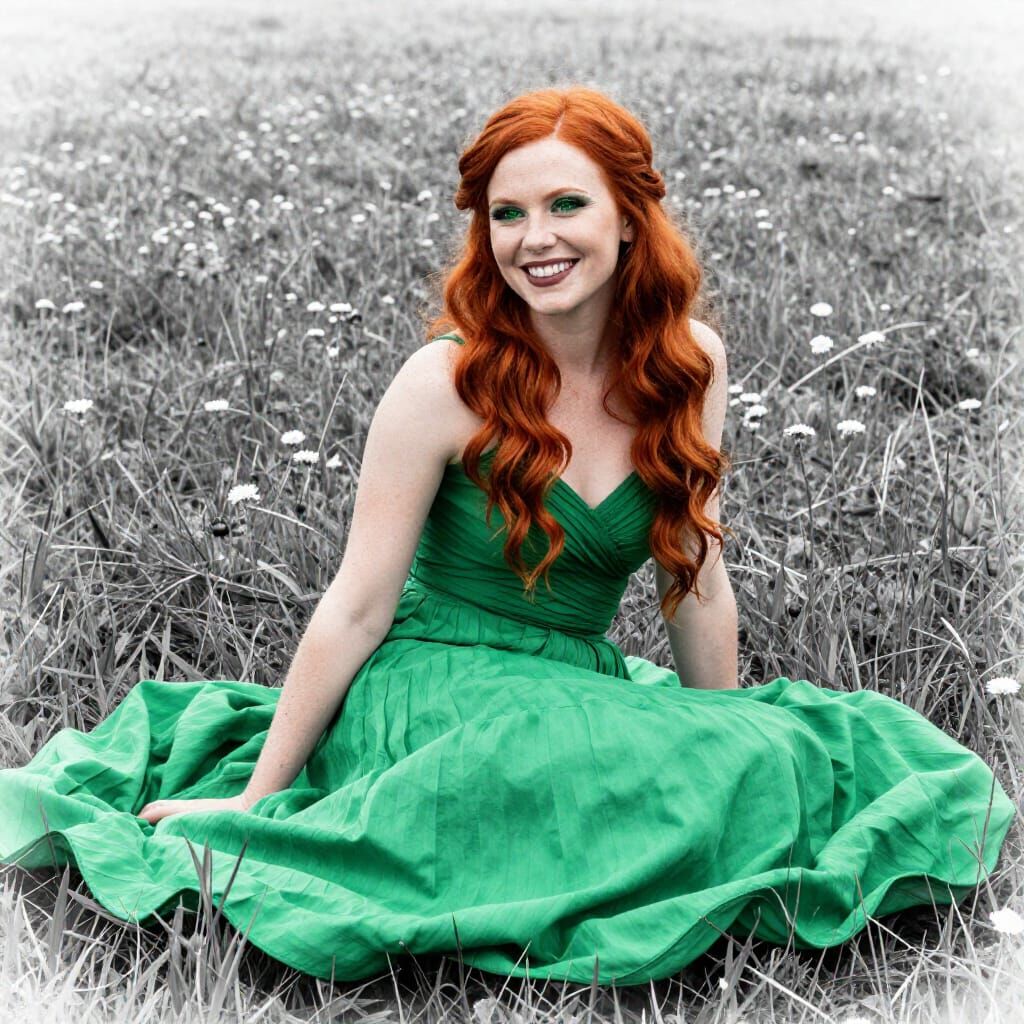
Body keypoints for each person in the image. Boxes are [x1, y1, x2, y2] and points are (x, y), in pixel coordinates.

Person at [0, 86, 1015, 986]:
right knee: (553, 768)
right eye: (507, 213)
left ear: (629, 217)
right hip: (430, 683)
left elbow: (692, 579)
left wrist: (726, 742)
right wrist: (261, 800)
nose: (537, 236)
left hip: (571, 678)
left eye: (566, 204)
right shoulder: (444, 382)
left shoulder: (688, 364)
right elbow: (356, 606)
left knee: (800, 753)